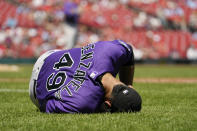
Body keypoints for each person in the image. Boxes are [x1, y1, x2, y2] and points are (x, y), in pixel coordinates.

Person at [29, 40, 142, 113]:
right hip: (36, 88)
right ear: (107, 104)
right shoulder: (84, 103)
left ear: (129, 87)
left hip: (49, 56)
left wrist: (128, 84)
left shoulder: (112, 51)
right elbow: (47, 105)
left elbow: (129, 51)